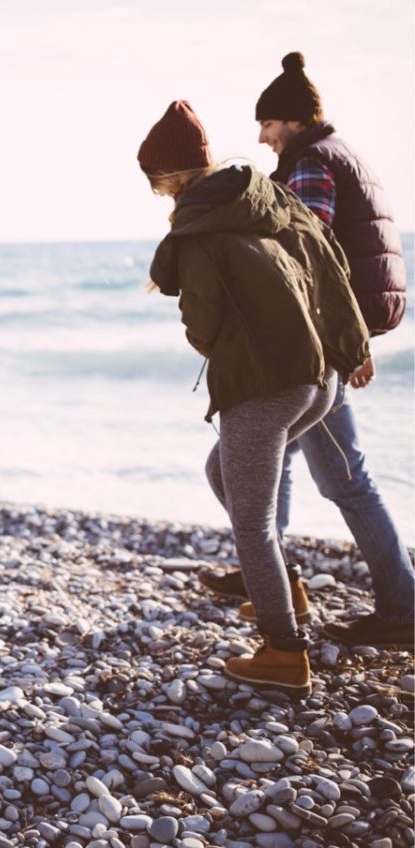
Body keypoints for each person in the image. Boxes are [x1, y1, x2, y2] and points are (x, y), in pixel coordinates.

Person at [138, 101, 369, 696]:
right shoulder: (266, 198)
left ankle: (284, 653)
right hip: (317, 379)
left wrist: (221, 343)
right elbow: (330, 264)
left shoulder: (195, 228)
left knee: (252, 522)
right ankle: (285, 589)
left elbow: (202, 322)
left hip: (266, 386)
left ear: (169, 177)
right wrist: (350, 344)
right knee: (224, 471)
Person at [199, 52, 414, 649]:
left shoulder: (312, 163)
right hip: (331, 340)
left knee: (345, 478)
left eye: (266, 124)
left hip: (314, 347)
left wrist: (346, 344)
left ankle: (402, 604)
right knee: (275, 460)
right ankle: (271, 573)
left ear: (291, 120)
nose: (261, 136)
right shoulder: (341, 154)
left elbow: (306, 258)